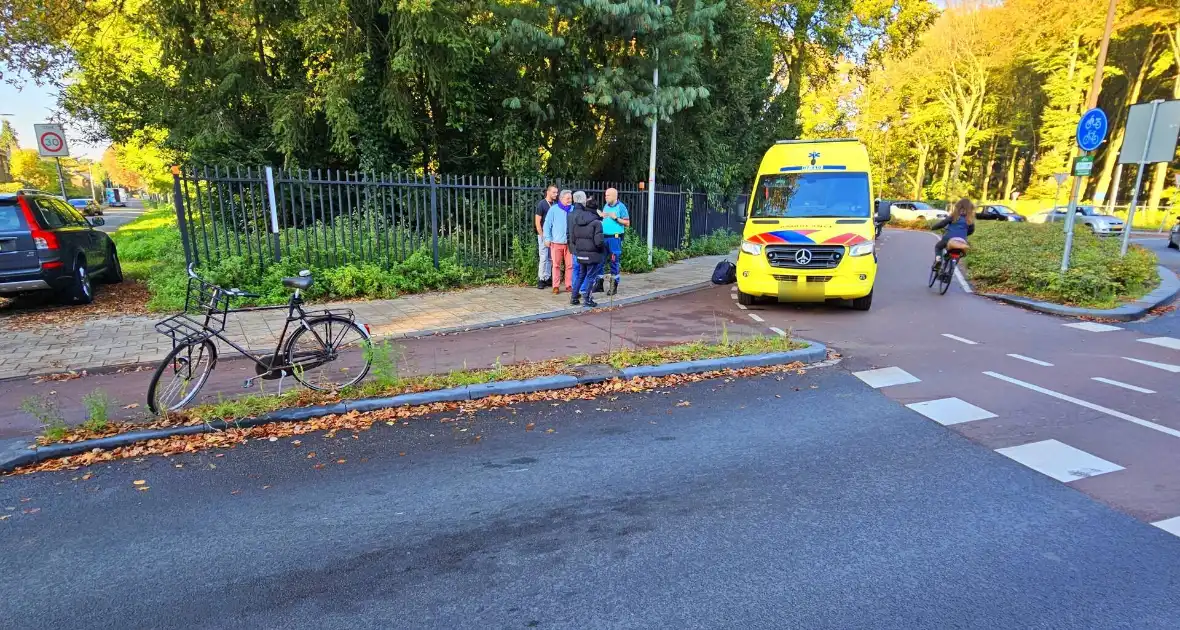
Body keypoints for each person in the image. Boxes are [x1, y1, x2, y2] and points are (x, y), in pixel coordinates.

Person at [568, 191, 605, 307]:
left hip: (580, 253)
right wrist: (601, 249)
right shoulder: (596, 222)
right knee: (590, 276)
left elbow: (573, 239)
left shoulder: (578, 220)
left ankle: (574, 297)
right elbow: (599, 241)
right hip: (592, 255)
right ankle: (587, 299)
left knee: (580, 274)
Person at [543, 189, 575, 294]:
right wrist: (547, 238)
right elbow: (547, 225)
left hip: (570, 243)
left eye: (571, 198)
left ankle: (569, 285)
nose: (570, 200)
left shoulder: (573, 209)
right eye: (568, 198)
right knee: (556, 265)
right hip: (556, 242)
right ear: (561, 199)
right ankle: (555, 286)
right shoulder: (554, 209)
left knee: (570, 265)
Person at [600, 187, 629, 295]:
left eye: (608, 195)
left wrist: (616, 218)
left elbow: (627, 223)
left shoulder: (621, 207)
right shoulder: (606, 206)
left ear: (614, 196)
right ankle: (599, 284)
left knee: (613, 262)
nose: (605, 197)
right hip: (604, 237)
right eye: (605, 195)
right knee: (600, 261)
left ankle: (613, 286)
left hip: (614, 239)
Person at [931, 198, 976, 267]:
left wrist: (933, 227)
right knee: (961, 252)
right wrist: (964, 234)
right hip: (962, 240)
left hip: (949, 238)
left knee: (938, 247)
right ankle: (952, 266)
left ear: (958, 206)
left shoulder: (954, 216)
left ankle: (938, 259)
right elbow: (971, 231)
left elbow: (942, 224)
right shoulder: (970, 219)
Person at [534, 185, 558, 289]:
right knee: (543, 257)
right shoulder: (542, 204)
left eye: (556, 193)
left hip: (553, 235)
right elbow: (537, 221)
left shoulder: (556, 205)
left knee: (551, 258)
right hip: (544, 235)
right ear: (548, 192)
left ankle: (547, 277)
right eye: (554, 192)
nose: (556, 194)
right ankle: (541, 278)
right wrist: (542, 235)